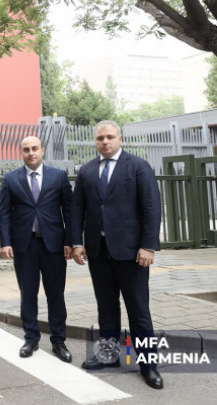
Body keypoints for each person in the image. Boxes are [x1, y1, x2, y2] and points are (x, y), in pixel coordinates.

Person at [72, 120, 163, 390]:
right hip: (98, 252)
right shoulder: (87, 171)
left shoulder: (138, 167)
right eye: (100, 138)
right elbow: (77, 210)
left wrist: (148, 246)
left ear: (120, 139)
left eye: (110, 137)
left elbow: (151, 208)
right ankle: (109, 355)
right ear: (95, 141)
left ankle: (148, 364)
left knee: (138, 310)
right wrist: (76, 243)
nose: (105, 142)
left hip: (132, 253)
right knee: (106, 306)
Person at [0, 136, 73, 362]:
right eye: (26, 150)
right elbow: (4, 213)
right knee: (28, 294)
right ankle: (31, 339)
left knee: (56, 295)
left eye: (34, 148)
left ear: (42, 150)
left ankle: (58, 341)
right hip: (25, 245)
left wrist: (70, 241)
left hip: (54, 246)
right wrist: (5, 242)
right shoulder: (11, 179)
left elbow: (70, 211)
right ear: (21, 153)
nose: (31, 153)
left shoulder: (58, 176)